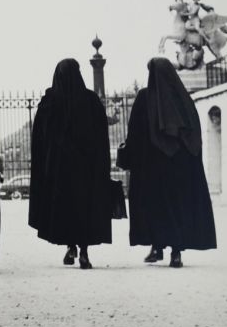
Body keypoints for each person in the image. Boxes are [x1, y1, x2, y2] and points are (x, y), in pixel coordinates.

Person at [118, 57, 216, 267]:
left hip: (152, 166)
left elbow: (135, 133)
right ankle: (176, 252)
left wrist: (131, 156)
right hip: (179, 166)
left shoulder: (145, 97)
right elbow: (194, 135)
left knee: (154, 206)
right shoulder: (183, 98)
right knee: (177, 206)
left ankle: (157, 247)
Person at [28, 59, 112, 269]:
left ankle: (70, 246)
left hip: (59, 169)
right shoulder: (91, 101)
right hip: (86, 167)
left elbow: (39, 137)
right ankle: (83, 251)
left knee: (65, 208)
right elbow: (102, 137)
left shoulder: (50, 101)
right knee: (84, 207)